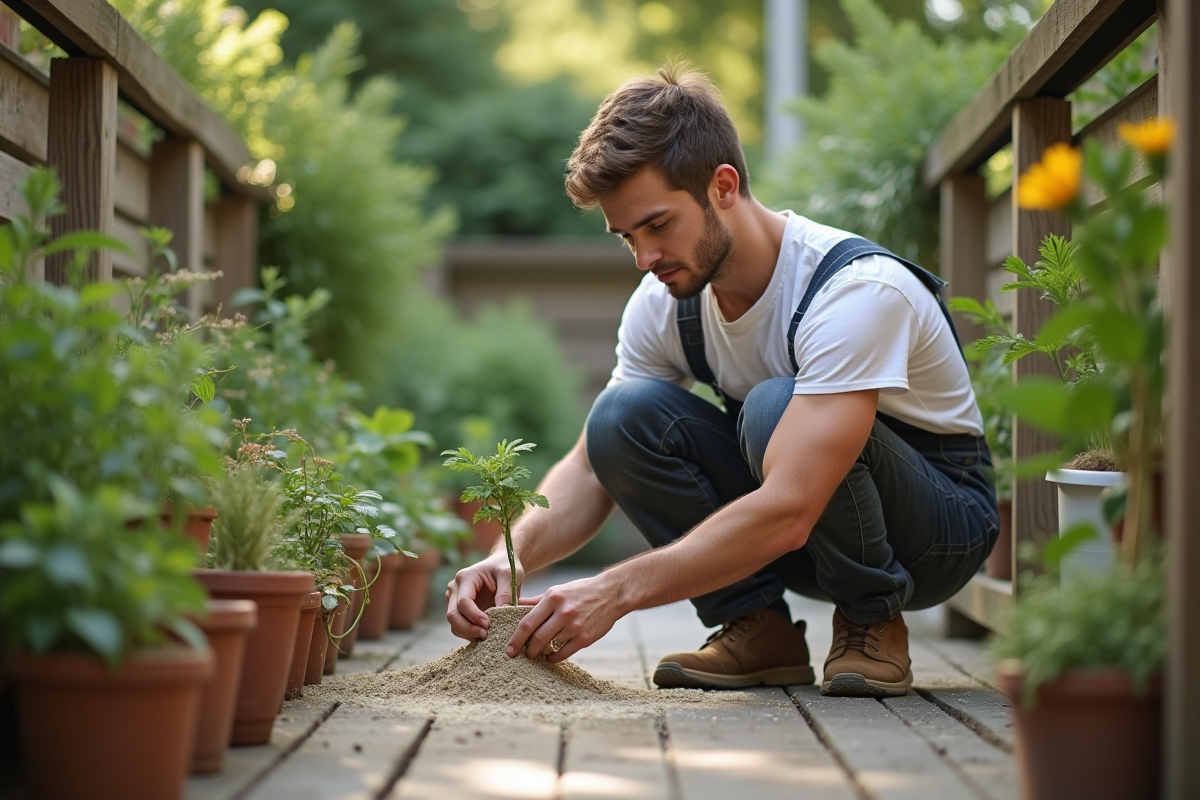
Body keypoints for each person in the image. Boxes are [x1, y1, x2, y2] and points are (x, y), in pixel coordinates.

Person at [444, 63, 998, 698]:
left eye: (657, 225)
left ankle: (871, 621)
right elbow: (593, 468)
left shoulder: (854, 289)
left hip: (935, 533)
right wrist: (506, 560)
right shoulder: (664, 302)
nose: (645, 258)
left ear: (724, 185)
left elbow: (790, 508)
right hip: (805, 534)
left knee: (771, 408)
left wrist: (615, 591)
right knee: (620, 416)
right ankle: (756, 627)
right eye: (628, 237)